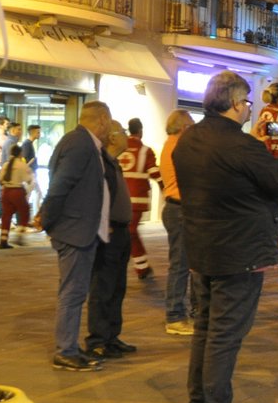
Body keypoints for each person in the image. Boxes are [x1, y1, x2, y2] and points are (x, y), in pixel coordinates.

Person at [174, 71, 278, 403]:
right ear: (234, 103)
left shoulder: (189, 139)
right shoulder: (239, 145)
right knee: (226, 334)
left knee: (205, 329)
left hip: (202, 247)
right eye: (247, 102)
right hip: (239, 251)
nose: (249, 108)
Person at [38, 101, 113, 371]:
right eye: (109, 123)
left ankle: (69, 346)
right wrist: (48, 220)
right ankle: (65, 350)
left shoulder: (81, 142)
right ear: (102, 119)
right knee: (72, 292)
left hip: (79, 229)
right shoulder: (81, 143)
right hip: (75, 231)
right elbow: (60, 185)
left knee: (74, 291)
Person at [84, 121, 137, 362]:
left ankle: (111, 337)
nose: (127, 136)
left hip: (121, 232)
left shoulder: (113, 163)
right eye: (123, 133)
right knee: (103, 287)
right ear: (113, 137)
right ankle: (97, 340)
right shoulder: (101, 164)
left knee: (117, 287)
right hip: (110, 233)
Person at [160, 110, 196, 335]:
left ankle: (187, 311)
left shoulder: (169, 145)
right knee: (180, 265)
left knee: (184, 264)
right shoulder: (179, 148)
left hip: (176, 209)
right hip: (179, 209)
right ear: (183, 128)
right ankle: (174, 316)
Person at [115, 117, 159, 280]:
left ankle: (141, 266)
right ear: (140, 131)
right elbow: (155, 173)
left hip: (118, 199)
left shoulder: (120, 148)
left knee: (127, 232)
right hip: (137, 200)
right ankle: (140, 266)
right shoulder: (145, 150)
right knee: (130, 232)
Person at [0, 143, 33, 249]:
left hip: (5, 192)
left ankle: (3, 240)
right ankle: (20, 236)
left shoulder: (6, 165)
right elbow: (29, 180)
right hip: (17, 191)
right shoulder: (22, 165)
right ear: (20, 153)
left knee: (6, 216)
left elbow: (0, 180)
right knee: (24, 211)